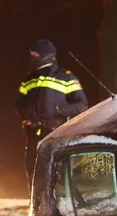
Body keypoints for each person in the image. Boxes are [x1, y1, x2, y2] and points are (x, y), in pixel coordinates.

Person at [15, 39, 88, 185]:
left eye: (35, 55)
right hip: (33, 134)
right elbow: (18, 104)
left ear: (46, 55)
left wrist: (61, 110)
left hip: (56, 133)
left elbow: (82, 104)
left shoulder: (66, 77)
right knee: (32, 169)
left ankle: (61, 198)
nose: (32, 58)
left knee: (58, 172)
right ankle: (35, 199)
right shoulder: (29, 78)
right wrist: (27, 116)